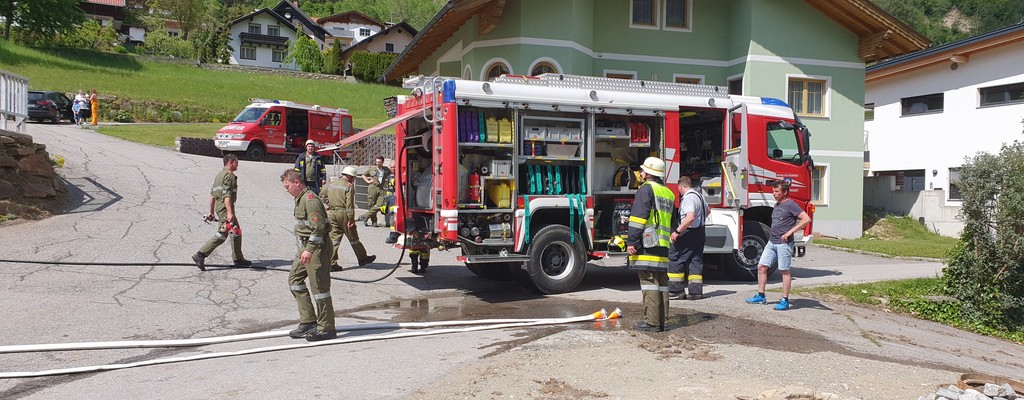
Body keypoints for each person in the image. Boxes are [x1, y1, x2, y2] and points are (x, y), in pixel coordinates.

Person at [281, 169, 336, 341]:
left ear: (297, 183)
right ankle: (309, 321)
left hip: (316, 248)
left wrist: (309, 249)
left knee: (320, 289)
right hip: (305, 247)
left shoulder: (310, 200)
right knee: (295, 281)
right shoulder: (300, 199)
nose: (286, 189)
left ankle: (326, 328)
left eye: (287, 186)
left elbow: (318, 227)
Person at [745, 180, 812, 311]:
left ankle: (785, 300)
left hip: (784, 244)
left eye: (776, 191)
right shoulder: (776, 205)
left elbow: (806, 219)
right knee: (761, 267)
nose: (774, 194)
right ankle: (761, 296)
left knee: (784, 271)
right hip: (772, 241)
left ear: (785, 192)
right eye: (773, 191)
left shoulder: (791, 205)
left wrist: (790, 232)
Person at [626, 157, 675, 332]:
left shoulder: (646, 190)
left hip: (648, 244)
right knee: (661, 284)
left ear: (649, 173)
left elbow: (638, 218)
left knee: (648, 283)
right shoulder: (668, 192)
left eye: (642, 170)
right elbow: (673, 222)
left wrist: (631, 241)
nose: (640, 173)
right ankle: (662, 322)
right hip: (663, 245)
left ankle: (652, 323)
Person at [192, 154, 251, 271]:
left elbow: (212, 195)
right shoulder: (229, 176)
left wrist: (211, 212)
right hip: (225, 208)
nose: (238, 164)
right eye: (236, 162)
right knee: (223, 233)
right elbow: (227, 196)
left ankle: (238, 259)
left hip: (220, 207)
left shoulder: (219, 175)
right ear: (230, 162)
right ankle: (200, 254)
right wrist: (229, 213)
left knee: (236, 231)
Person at [320, 166, 376, 271]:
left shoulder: (332, 184)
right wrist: (351, 220)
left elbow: (322, 196)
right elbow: (349, 205)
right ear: (350, 177)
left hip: (332, 213)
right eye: (353, 178)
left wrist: (330, 204)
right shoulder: (349, 186)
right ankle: (362, 258)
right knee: (353, 237)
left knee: (334, 238)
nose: (354, 180)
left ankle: (332, 263)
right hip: (343, 213)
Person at [669, 175, 710, 300]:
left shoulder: (688, 198)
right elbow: (708, 211)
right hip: (700, 232)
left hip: (688, 232)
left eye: (679, 189)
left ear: (681, 187)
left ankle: (676, 291)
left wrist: (677, 231)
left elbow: (690, 217)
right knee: (695, 260)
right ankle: (695, 292)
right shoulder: (700, 196)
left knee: (675, 257)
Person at [358, 156, 391, 227]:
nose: (377, 164)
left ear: (382, 162)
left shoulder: (386, 169)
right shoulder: (372, 169)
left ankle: (365, 216)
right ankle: (374, 221)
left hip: (381, 188)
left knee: (380, 204)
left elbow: (391, 174)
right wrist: (368, 181)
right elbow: (363, 175)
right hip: (372, 187)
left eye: (379, 162)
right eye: (376, 162)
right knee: (371, 204)